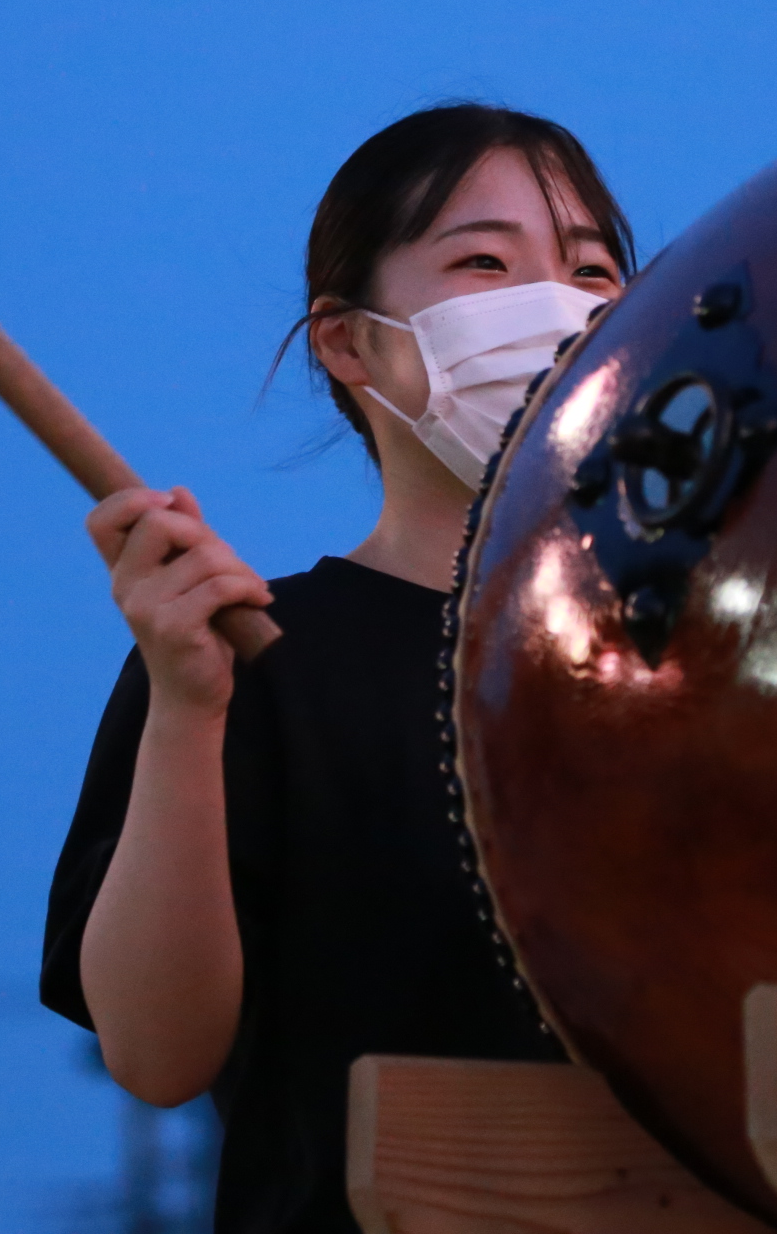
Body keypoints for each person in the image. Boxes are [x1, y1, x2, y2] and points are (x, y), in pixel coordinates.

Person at [40, 104, 634, 1234]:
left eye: (594, 269)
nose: (559, 309)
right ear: (347, 342)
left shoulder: (723, 659)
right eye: (483, 262)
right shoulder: (249, 659)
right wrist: (185, 708)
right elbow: (158, 1055)